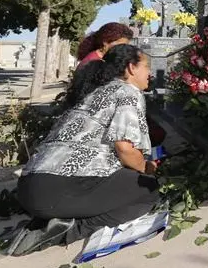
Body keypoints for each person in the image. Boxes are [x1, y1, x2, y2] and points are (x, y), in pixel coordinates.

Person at [8, 44, 160, 256]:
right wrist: (147, 168)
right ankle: (66, 230)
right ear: (131, 68)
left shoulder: (96, 92)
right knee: (148, 190)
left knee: (126, 180)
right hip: (60, 190)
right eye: (146, 66)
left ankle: (53, 217)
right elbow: (124, 149)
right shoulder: (127, 92)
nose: (149, 72)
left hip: (28, 188)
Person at [75, 22, 166, 146]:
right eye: (121, 45)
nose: (124, 50)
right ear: (106, 43)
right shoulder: (92, 63)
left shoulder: (105, 60)